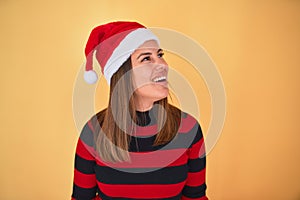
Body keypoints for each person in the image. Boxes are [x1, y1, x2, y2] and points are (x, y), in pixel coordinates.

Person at [72, 21, 208, 200]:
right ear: (122, 74)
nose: (162, 64)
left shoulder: (188, 128)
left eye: (160, 55)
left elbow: (195, 197)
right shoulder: (93, 132)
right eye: (146, 58)